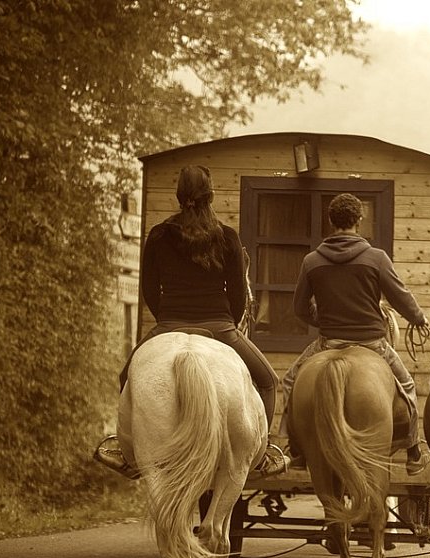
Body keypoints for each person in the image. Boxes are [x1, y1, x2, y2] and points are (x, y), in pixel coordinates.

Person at [94, 164, 288, 478]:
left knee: (127, 376)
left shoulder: (159, 234)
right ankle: (261, 452)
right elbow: (238, 293)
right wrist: (227, 323)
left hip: (169, 324)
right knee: (268, 380)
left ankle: (126, 451)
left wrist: (167, 322)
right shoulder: (227, 236)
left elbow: (149, 289)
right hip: (220, 327)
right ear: (210, 195)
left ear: (179, 194)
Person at [282, 193, 430, 476]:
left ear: (331, 222)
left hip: (329, 342)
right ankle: (413, 453)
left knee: (290, 381)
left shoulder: (312, 261)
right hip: (373, 344)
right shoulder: (376, 258)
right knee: (408, 386)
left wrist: (320, 318)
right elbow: (399, 296)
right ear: (359, 222)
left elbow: (299, 308)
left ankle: (296, 449)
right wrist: (418, 317)